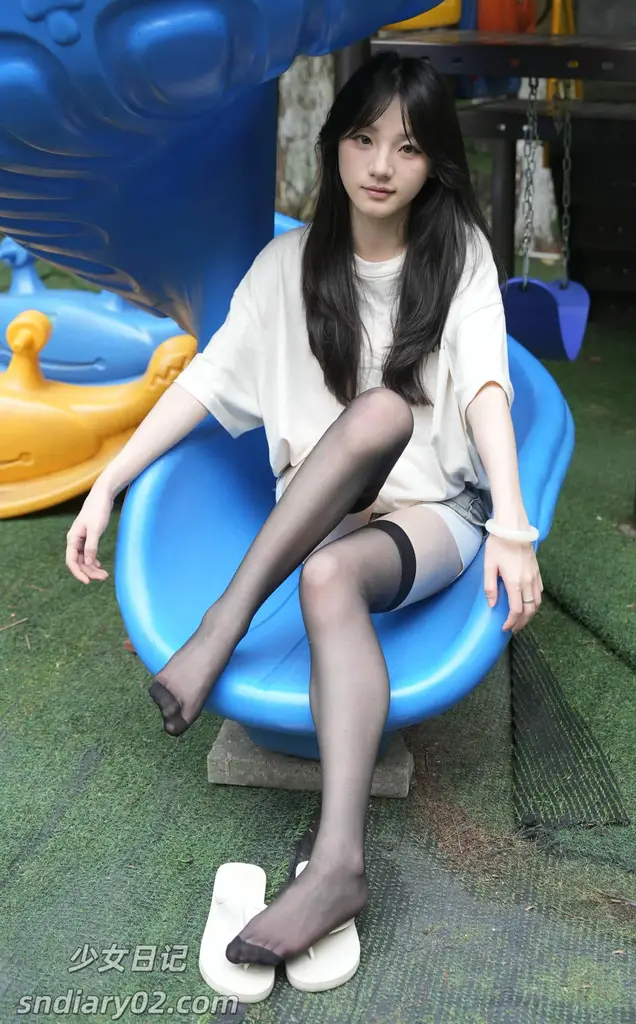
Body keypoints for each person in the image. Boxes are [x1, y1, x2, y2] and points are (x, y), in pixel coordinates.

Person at [65, 52, 543, 967]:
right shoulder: (285, 267)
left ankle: (332, 857)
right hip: (321, 507)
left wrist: (514, 527)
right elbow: (208, 381)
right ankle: (241, 651)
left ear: (434, 163)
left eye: (408, 147)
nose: (380, 165)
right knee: (355, 467)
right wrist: (108, 481)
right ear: (333, 146)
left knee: (372, 449)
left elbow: (488, 385)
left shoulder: (458, 256)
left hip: (428, 515)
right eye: (363, 139)